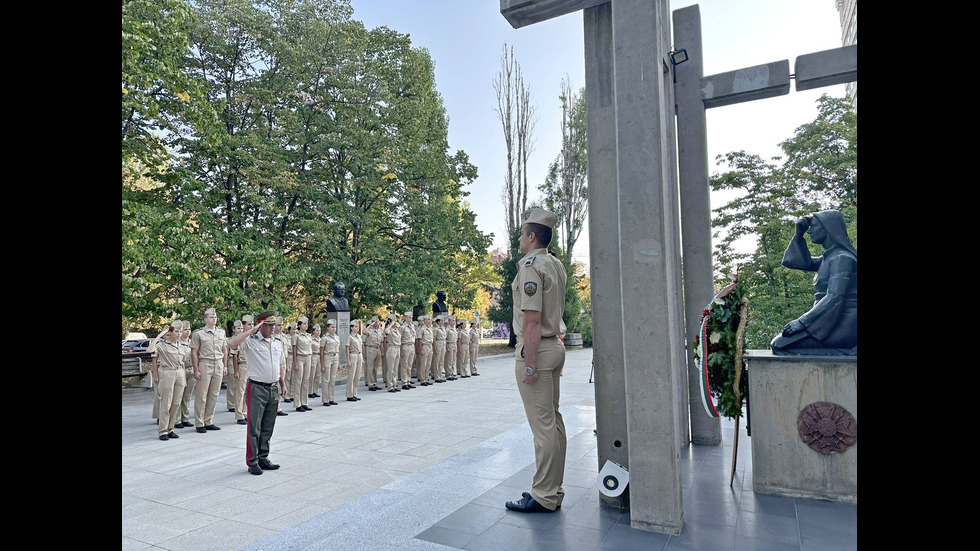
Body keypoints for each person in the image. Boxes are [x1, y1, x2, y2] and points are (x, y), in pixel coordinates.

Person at [505, 207, 568, 514]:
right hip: (553, 346)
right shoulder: (554, 263)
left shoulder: (530, 266)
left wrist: (529, 364)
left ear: (532, 236)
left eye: (521, 234)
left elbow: (531, 321)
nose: (519, 239)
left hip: (538, 351)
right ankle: (553, 490)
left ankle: (543, 494)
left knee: (543, 427)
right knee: (553, 423)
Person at [770, 209, 857, 354]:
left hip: (843, 323)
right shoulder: (828, 258)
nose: (809, 231)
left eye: (814, 226)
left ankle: (843, 353)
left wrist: (802, 322)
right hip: (827, 320)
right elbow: (794, 262)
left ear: (828, 228)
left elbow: (835, 297)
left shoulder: (842, 258)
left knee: (780, 345)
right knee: (779, 344)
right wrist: (798, 234)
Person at [226, 311, 287, 475]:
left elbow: (279, 363)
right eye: (269, 325)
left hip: (273, 387)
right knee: (255, 427)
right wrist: (252, 331)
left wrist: (282, 382)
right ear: (261, 325)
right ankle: (252, 461)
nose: (273, 328)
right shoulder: (251, 342)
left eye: (274, 325)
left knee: (268, 425)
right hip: (257, 387)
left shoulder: (276, 342)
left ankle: (263, 457)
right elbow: (231, 344)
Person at [191, 307, 228, 434]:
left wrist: (225, 365)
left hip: (218, 363)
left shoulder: (221, 332)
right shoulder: (199, 333)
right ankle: (199, 422)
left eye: (215, 317)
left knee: (214, 394)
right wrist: (196, 369)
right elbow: (194, 352)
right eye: (211, 317)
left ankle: (209, 420)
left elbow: (224, 350)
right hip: (205, 363)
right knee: (202, 395)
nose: (214, 319)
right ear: (206, 319)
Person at [148, 321, 187, 440]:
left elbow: (183, 363)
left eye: (180, 331)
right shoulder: (162, 345)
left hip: (179, 372)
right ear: (170, 333)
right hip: (167, 373)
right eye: (176, 331)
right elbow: (149, 350)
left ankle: (171, 428)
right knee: (166, 402)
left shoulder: (182, 346)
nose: (179, 334)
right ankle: (163, 431)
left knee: (176, 403)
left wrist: (184, 378)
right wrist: (160, 335)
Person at [231, 315, 255, 425]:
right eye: (249, 324)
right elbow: (235, 355)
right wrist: (236, 371)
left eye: (253, 324)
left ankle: (245, 413)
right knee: (240, 391)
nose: (251, 326)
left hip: (251, 366)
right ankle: (239, 415)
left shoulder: (253, 338)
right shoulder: (239, 338)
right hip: (242, 365)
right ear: (244, 325)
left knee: (248, 392)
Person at [291, 316, 315, 412]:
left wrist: (312, 360)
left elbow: (311, 349)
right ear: (299, 325)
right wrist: (295, 362)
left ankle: (304, 402)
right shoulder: (296, 336)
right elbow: (294, 350)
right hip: (300, 358)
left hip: (308, 358)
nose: (306, 326)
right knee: (298, 381)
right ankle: (297, 403)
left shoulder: (309, 336)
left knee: (306, 381)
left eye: (306, 324)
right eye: (304, 324)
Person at [177, 320, 195, 428]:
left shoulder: (192, 342)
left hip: (191, 370)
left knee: (187, 396)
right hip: (181, 370)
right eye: (185, 329)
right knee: (179, 395)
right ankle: (177, 419)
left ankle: (185, 418)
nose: (187, 332)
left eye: (189, 329)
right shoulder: (177, 343)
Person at [319, 319, 341, 406]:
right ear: (328, 328)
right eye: (332, 327)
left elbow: (338, 351)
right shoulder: (324, 338)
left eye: (335, 327)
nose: (334, 329)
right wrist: (322, 364)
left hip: (335, 357)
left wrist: (339, 363)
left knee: (333, 379)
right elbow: (321, 351)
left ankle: (331, 398)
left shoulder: (337, 337)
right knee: (326, 379)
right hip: (327, 357)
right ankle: (325, 400)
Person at [226, 319, 243, 413]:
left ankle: (238, 404)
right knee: (232, 383)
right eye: (238, 328)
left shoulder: (244, 339)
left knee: (239, 385)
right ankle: (231, 404)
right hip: (231, 361)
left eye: (241, 328)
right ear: (233, 329)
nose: (240, 330)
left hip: (241, 362)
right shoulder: (230, 340)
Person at [363, 317, 384, 391]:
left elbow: (381, 342)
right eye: (374, 322)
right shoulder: (370, 330)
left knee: (375, 368)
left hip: (377, 349)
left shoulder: (379, 331)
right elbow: (364, 332)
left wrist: (382, 351)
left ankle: (375, 383)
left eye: (377, 322)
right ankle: (370, 384)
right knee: (370, 367)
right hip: (371, 349)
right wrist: (370, 325)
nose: (376, 324)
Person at [345, 320, 363, 401]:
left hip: (359, 355)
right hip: (353, 355)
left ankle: (354, 393)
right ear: (351, 328)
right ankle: (349, 395)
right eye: (355, 326)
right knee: (351, 376)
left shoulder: (359, 336)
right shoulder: (350, 337)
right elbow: (347, 348)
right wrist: (348, 360)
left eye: (358, 326)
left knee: (357, 376)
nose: (357, 328)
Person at [383, 314, 402, 393]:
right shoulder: (389, 329)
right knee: (390, 369)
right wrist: (390, 324)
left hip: (397, 348)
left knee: (395, 369)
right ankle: (390, 386)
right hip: (391, 348)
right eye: (393, 321)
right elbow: (386, 331)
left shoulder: (397, 330)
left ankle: (394, 385)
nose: (395, 322)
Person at [399, 311, 416, 390]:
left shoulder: (412, 326)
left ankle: (408, 381)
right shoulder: (402, 327)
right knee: (404, 365)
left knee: (410, 365)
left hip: (411, 346)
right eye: (409, 317)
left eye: (411, 317)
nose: (411, 319)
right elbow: (399, 339)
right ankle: (404, 382)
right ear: (405, 318)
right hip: (405, 346)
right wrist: (401, 350)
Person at [417, 315, 434, 385]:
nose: (430, 321)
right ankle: (422, 379)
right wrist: (420, 349)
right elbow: (419, 340)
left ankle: (426, 378)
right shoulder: (422, 329)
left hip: (430, 346)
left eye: (430, 319)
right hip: (425, 346)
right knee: (423, 363)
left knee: (428, 364)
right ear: (425, 320)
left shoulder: (430, 329)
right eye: (428, 319)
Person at [432, 315, 447, 383]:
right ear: (438, 322)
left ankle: (440, 375)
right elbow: (434, 339)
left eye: (443, 321)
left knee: (441, 361)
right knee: (437, 361)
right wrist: (434, 348)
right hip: (438, 343)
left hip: (443, 344)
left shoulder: (443, 328)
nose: (442, 322)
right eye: (441, 321)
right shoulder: (435, 329)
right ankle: (436, 377)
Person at [308, 323, 322, 399]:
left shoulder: (321, 339)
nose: (318, 332)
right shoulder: (310, 339)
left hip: (320, 357)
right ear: (313, 331)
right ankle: (309, 391)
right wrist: (311, 360)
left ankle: (315, 390)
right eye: (317, 330)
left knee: (317, 375)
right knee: (312, 375)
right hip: (314, 356)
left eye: (319, 330)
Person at [444, 315, 457, 381]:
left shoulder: (454, 329)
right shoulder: (447, 329)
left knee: (453, 360)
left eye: (454, 321)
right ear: (449, 321)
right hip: (450, 345)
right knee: (449, 360)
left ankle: (451, 373)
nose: (454, 322)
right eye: (453, 321)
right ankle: (448, 374)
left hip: (454, 345)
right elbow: (445, 339)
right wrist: (446, 347)